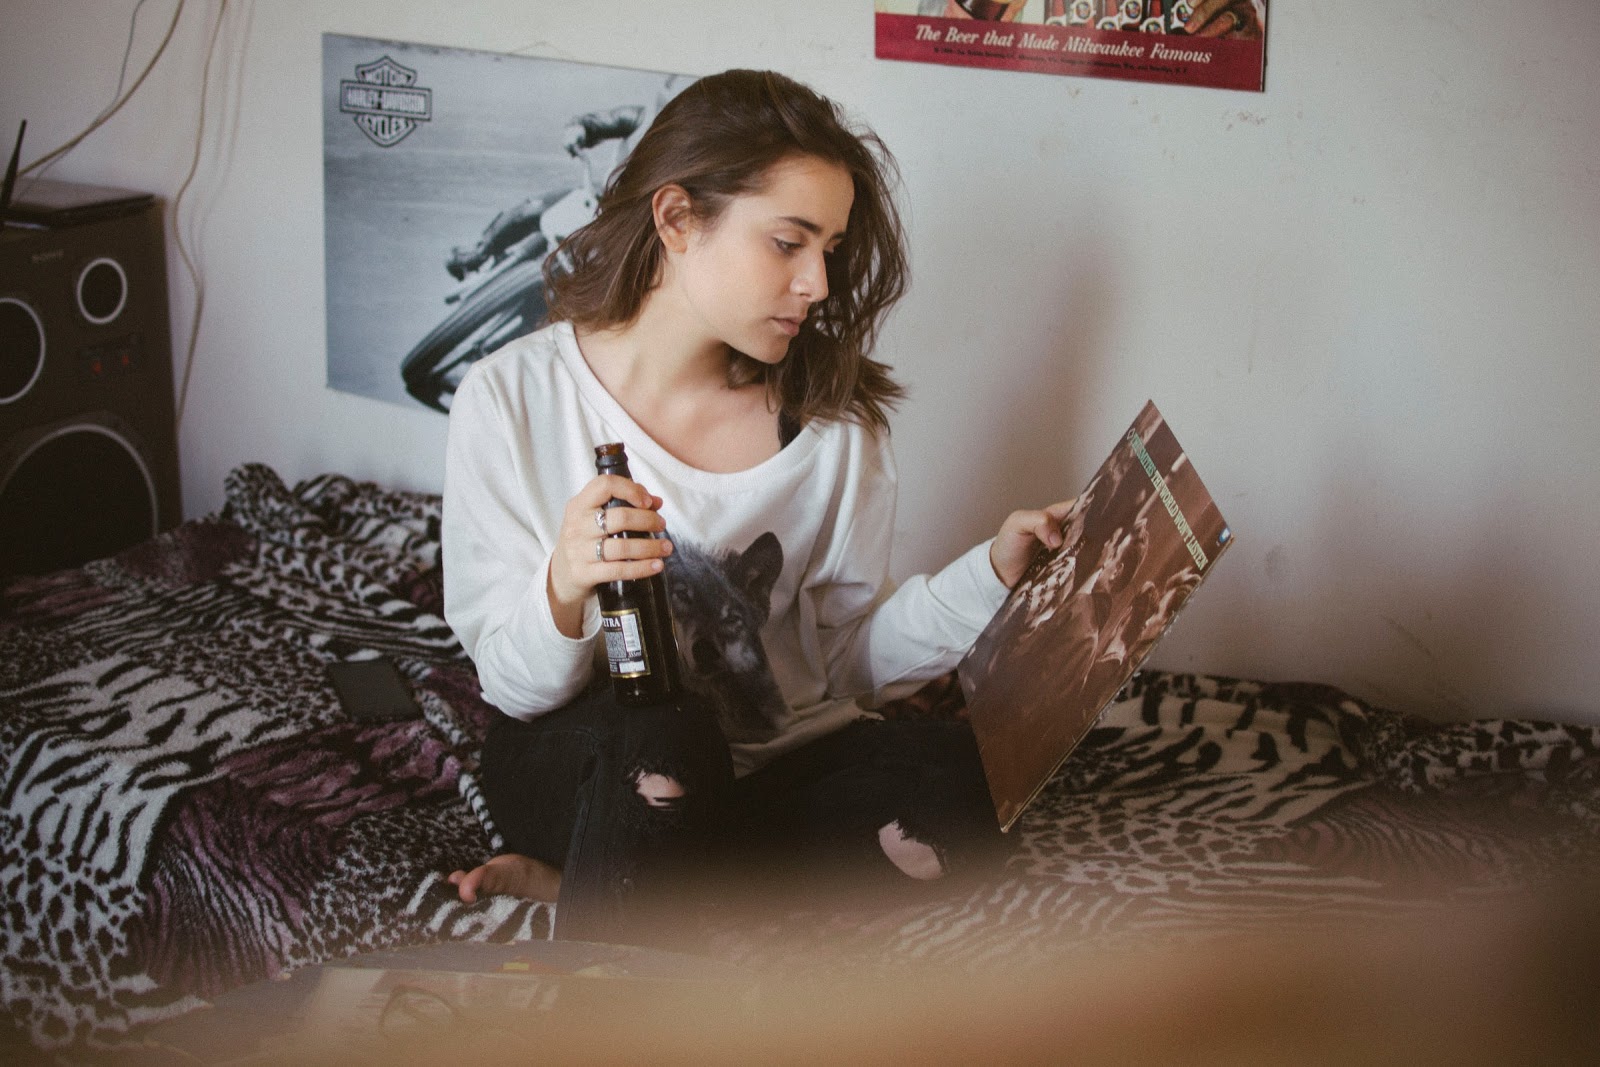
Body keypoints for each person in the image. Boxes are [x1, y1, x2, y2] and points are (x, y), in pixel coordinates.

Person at [441, 69, 1073, 943]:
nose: (816, 282)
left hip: (775, 768)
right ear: (677, 220)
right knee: (667, 733)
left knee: (961, 787)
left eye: (832, 248)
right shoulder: (510, 400)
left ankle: (607, 875)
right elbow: (510, 685)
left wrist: (996, 572)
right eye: (788, 242)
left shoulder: (835, 429)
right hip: (597, 764)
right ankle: (632, 868)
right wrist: (565, 585)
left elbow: (846, 660)